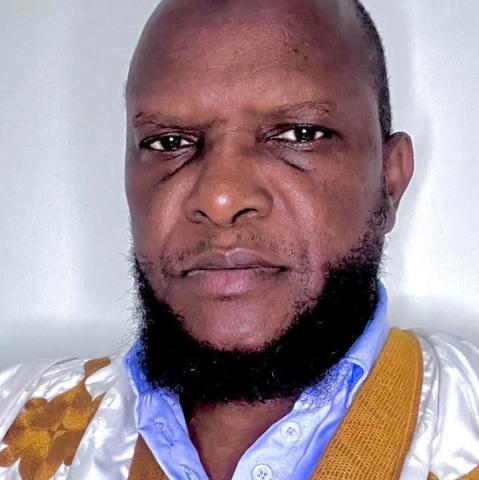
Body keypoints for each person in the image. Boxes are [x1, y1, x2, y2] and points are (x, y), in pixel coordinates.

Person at [0, 0, 478, 478]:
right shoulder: (12, 425)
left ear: (390, 181)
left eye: (299, 134)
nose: (221, 197)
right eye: (170, 143)